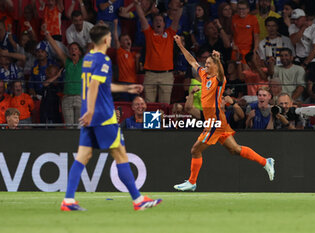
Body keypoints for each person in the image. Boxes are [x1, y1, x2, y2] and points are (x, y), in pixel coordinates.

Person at [61, 24, 162, 211]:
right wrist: (92, 111)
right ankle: (138, 200)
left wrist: (127, 88)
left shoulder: (88, 59)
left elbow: (102, 85)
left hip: (89, 115)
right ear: (106, 39)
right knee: (120, 154)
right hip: (103, 116)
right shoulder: (104, 60)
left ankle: (68, 200)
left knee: (83, 155)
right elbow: (93, 86)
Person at [173, 35, 275, 192]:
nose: (205, 65)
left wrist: (218, 60)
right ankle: (265, 161)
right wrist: (180, 45)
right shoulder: (203, 75)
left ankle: (192, 182)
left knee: (195, 150)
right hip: (216, 119)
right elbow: (192, 61)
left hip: (215, 122)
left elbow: (221, 74)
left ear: (215, 66)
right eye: (205, 63)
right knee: (235, 149)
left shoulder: (219, 81)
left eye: (208, 63)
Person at [135, 0, 183, 104]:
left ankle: (163, 121)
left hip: (167, 75)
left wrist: (181, 6)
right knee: (149, 104)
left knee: (164, 105)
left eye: (160, 20)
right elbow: (142, 17)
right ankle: (151, 121)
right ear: (152, 24)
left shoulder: (170, 33)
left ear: (164, 24)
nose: (158, 22)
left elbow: (177, 18)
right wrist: (137, 4)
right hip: (150, 75)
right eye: (156, 21)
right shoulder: (149, 33)